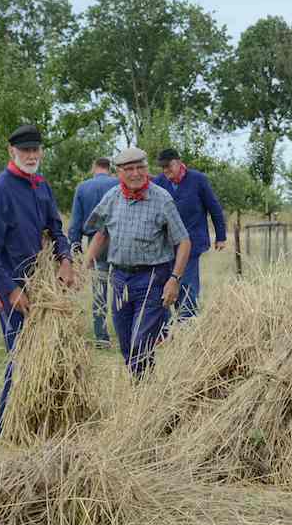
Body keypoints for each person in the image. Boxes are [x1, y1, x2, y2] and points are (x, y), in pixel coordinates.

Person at [0, 124, 75, 437]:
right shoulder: (1, 189)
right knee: (22, 361)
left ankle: (40, 428)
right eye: (25, 151)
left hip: (43, 287)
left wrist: (66, 260)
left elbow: (56, 229)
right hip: (15, 290)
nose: (31, 155)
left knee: (51, 362)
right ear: (11, 152)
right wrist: (12, 291)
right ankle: (4, 432)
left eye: (35, 150)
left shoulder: (39, 185)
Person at [83, 147, 191, 378]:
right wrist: (85, 265)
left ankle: (142, 394)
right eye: (129, 169)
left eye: (140, 167)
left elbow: (183, 242)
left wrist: (174, 279)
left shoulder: (162, 198)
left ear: (147, 169)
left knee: (140, 340)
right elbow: (102, 232)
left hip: (152, 278)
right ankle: (144, 388)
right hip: (120, 279)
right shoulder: (112, 196)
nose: (136, 173)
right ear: (119, 172)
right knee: (125, 343)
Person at [151, 148, 227, 320]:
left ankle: (187, 326)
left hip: (192, 242)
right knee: (167, 283)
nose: (166, 171)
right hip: (166, 244)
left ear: (178, 162)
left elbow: (214, 208)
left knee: (186, 284)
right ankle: (165, 327)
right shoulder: (159, 182)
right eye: (162, 167)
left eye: (168, 166)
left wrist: (220, 236)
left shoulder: (198, 180)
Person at [68, 157, 118, 347]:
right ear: (109, 168)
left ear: (93, 167)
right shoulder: (118, 183)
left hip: (94, 244)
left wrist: (76, 245)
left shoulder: (83, 187)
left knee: (99, 290)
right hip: (119, 239)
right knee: (122, 285)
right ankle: (125, 329)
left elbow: (76, 220)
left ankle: (101, 336)